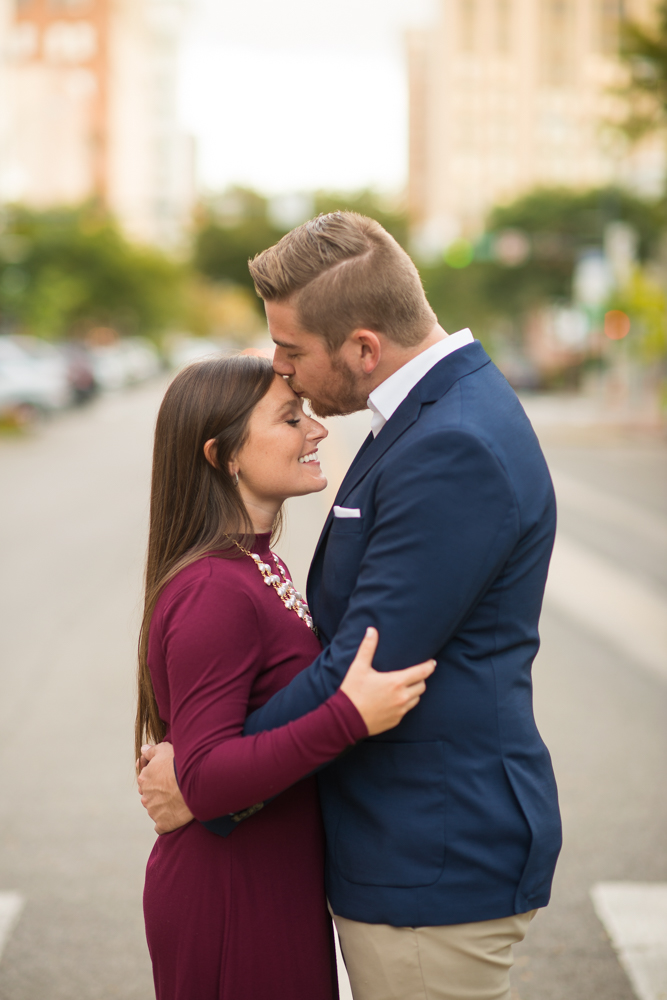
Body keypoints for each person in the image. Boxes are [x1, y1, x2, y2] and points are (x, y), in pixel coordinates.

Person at [140, 212, 562, 1000]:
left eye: (292, 352)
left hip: (427, 853)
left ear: (363, 347)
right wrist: (211, 768)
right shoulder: (430, 418)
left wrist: (199, 778)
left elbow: (363, 666)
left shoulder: (451, 442)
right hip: (399, 848)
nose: (283, 371)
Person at [136, 354, 435, 1000]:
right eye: (289, 418)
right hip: (228, 892)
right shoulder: (213, 587)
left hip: (270, 878)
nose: (317, 430)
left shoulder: (254, 564)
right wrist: (349, 717)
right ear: (224, 456)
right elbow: (207, 778)